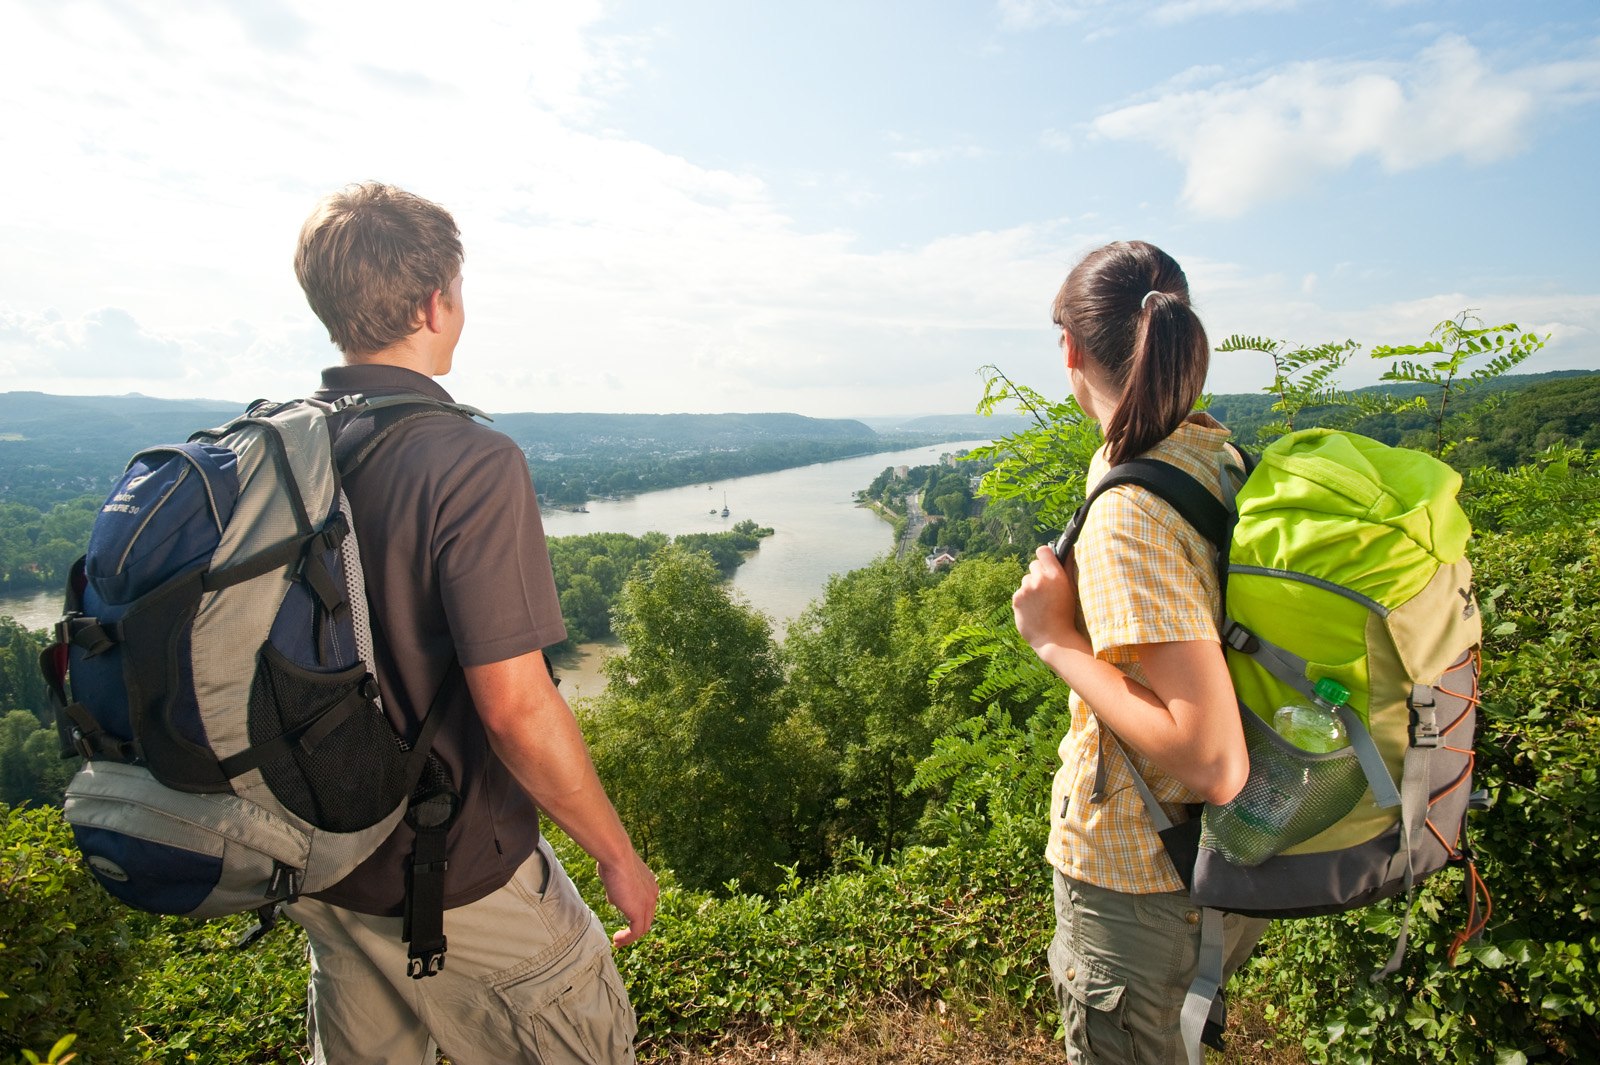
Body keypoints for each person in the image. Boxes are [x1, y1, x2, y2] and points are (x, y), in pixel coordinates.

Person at [284, 181, 659, 1065]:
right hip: (455, 875)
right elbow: (516, 707)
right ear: (432, 303)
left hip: (329, 870)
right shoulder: (469, 460)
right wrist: (616, 854)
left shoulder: (284, 451)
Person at [1011, 240, 1267, 1064]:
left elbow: (1212, 757)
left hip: (1141, 877)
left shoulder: (1131, 510)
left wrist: (1055, 641)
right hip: (1213, 859)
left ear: (1072, 351)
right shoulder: (1214, 453)